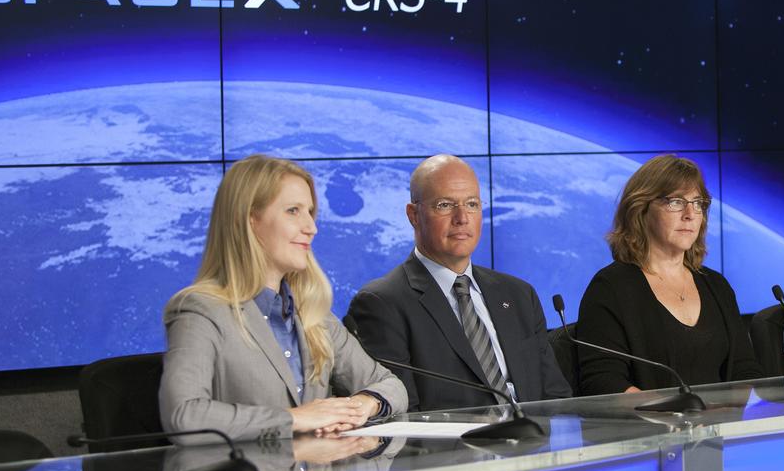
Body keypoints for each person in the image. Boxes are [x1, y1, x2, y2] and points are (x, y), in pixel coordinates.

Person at [160, 155, 406, 443]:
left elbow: (390, 385)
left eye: (310, 212)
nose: (311, 227)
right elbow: (184, 415)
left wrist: (363, 404)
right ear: (250, 220)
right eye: (293, 211)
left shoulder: (314, 316)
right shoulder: (200, 312)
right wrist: (295, 418)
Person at [347, 155, 571, 411]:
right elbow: (402, 414)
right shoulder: (382, 303)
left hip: (533, 444)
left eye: (472, 204)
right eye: (444, 205)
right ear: (414, 215)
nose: (462, 217)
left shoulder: (519, 294)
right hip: (453, 449)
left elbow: (557, 397)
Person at [577, 154, 764, 395]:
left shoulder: (716, 285)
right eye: (676, 201)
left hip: (718, 427)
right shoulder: (611, 288)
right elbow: (603, 382)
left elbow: (745, 370)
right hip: (649, 428)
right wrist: (673, 416)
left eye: (698, 203)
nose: (690, 213)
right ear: (641, 209)